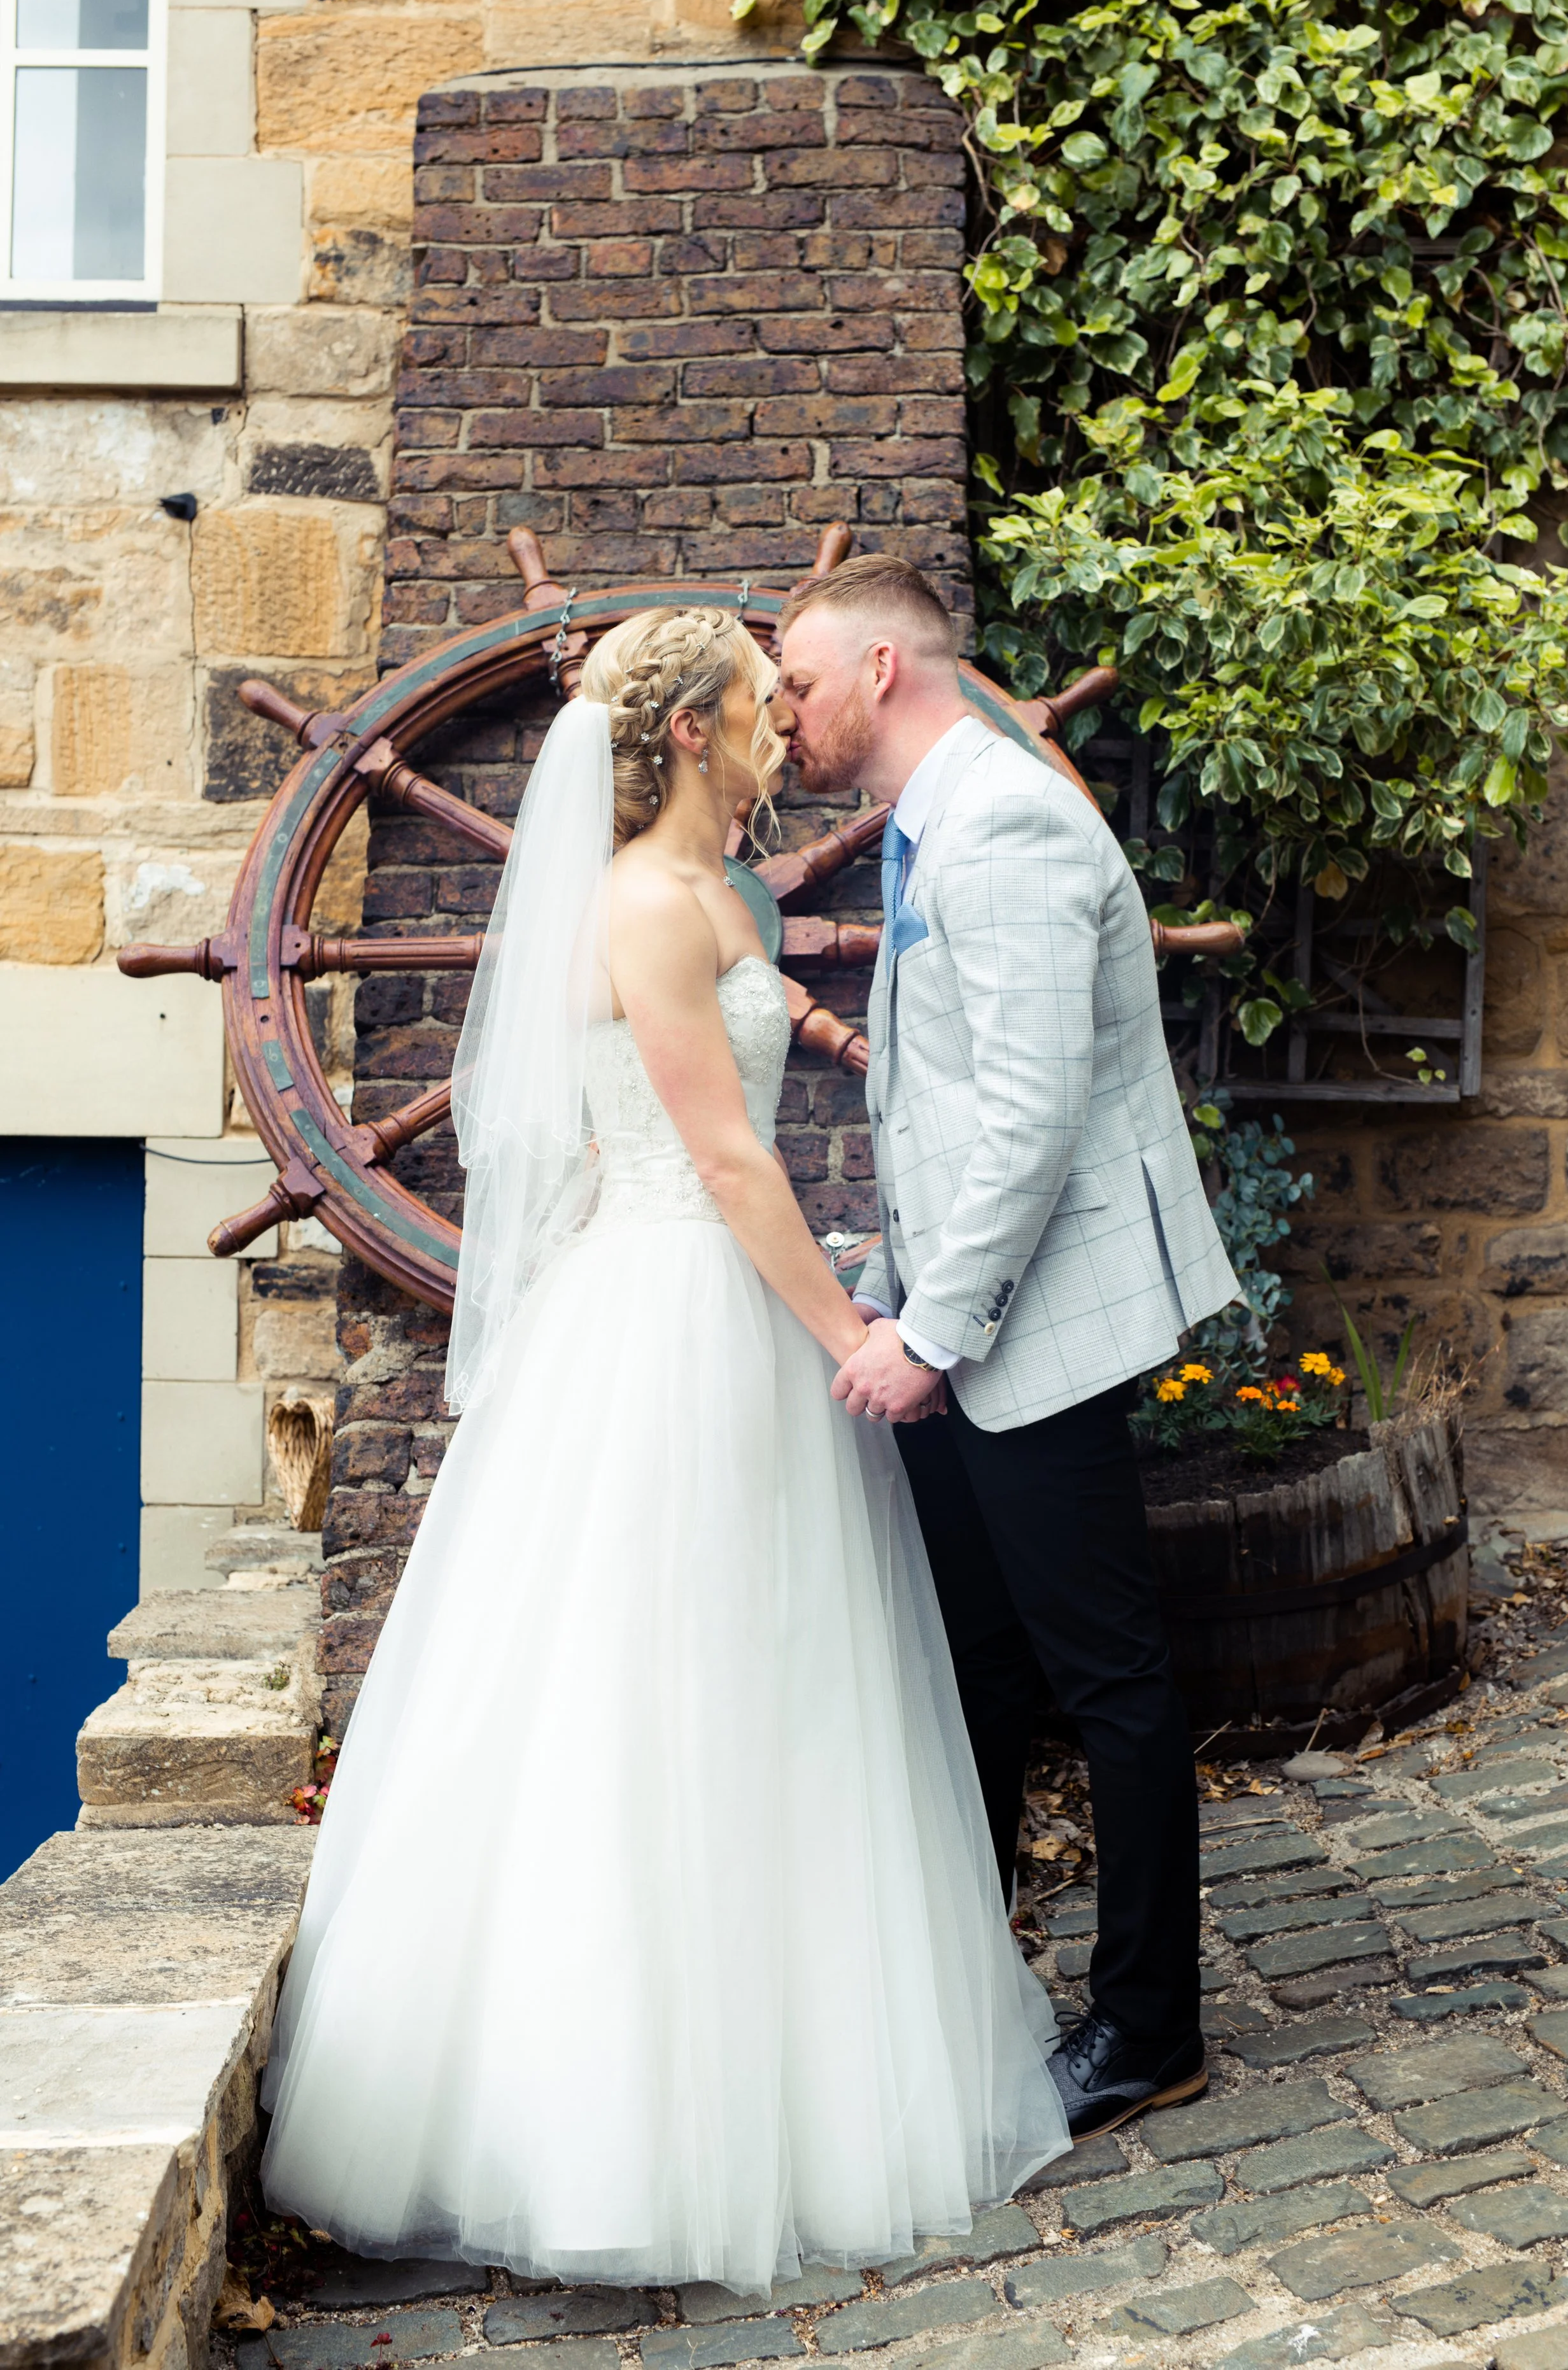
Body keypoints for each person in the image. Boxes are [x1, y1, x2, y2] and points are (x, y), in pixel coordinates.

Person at [258, 605, 1070, 2294]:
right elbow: (720, 1159)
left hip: (739, 1313)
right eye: (757, 706)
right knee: (640, 1687)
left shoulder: (738, 895)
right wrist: (850, 1332)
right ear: (688, 729)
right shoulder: (638, 902)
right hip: (664, 1316)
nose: (786, 722)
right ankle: (603, 2119)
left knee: (777, 1682)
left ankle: (786, 2056)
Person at [774, 556, 1241, 2141]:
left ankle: (1146, 2030)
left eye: (800, 680)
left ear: (888, 672)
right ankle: (962, 1995)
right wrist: (898, 1287)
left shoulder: (1012, 823)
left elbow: (1034, 1116)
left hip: (1028, 1329)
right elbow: (958, 1100)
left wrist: (935, 1333)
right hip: (963, 1316)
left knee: (1105, 1678)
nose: (785, 712)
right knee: (977, 1667)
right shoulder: (932, 827)